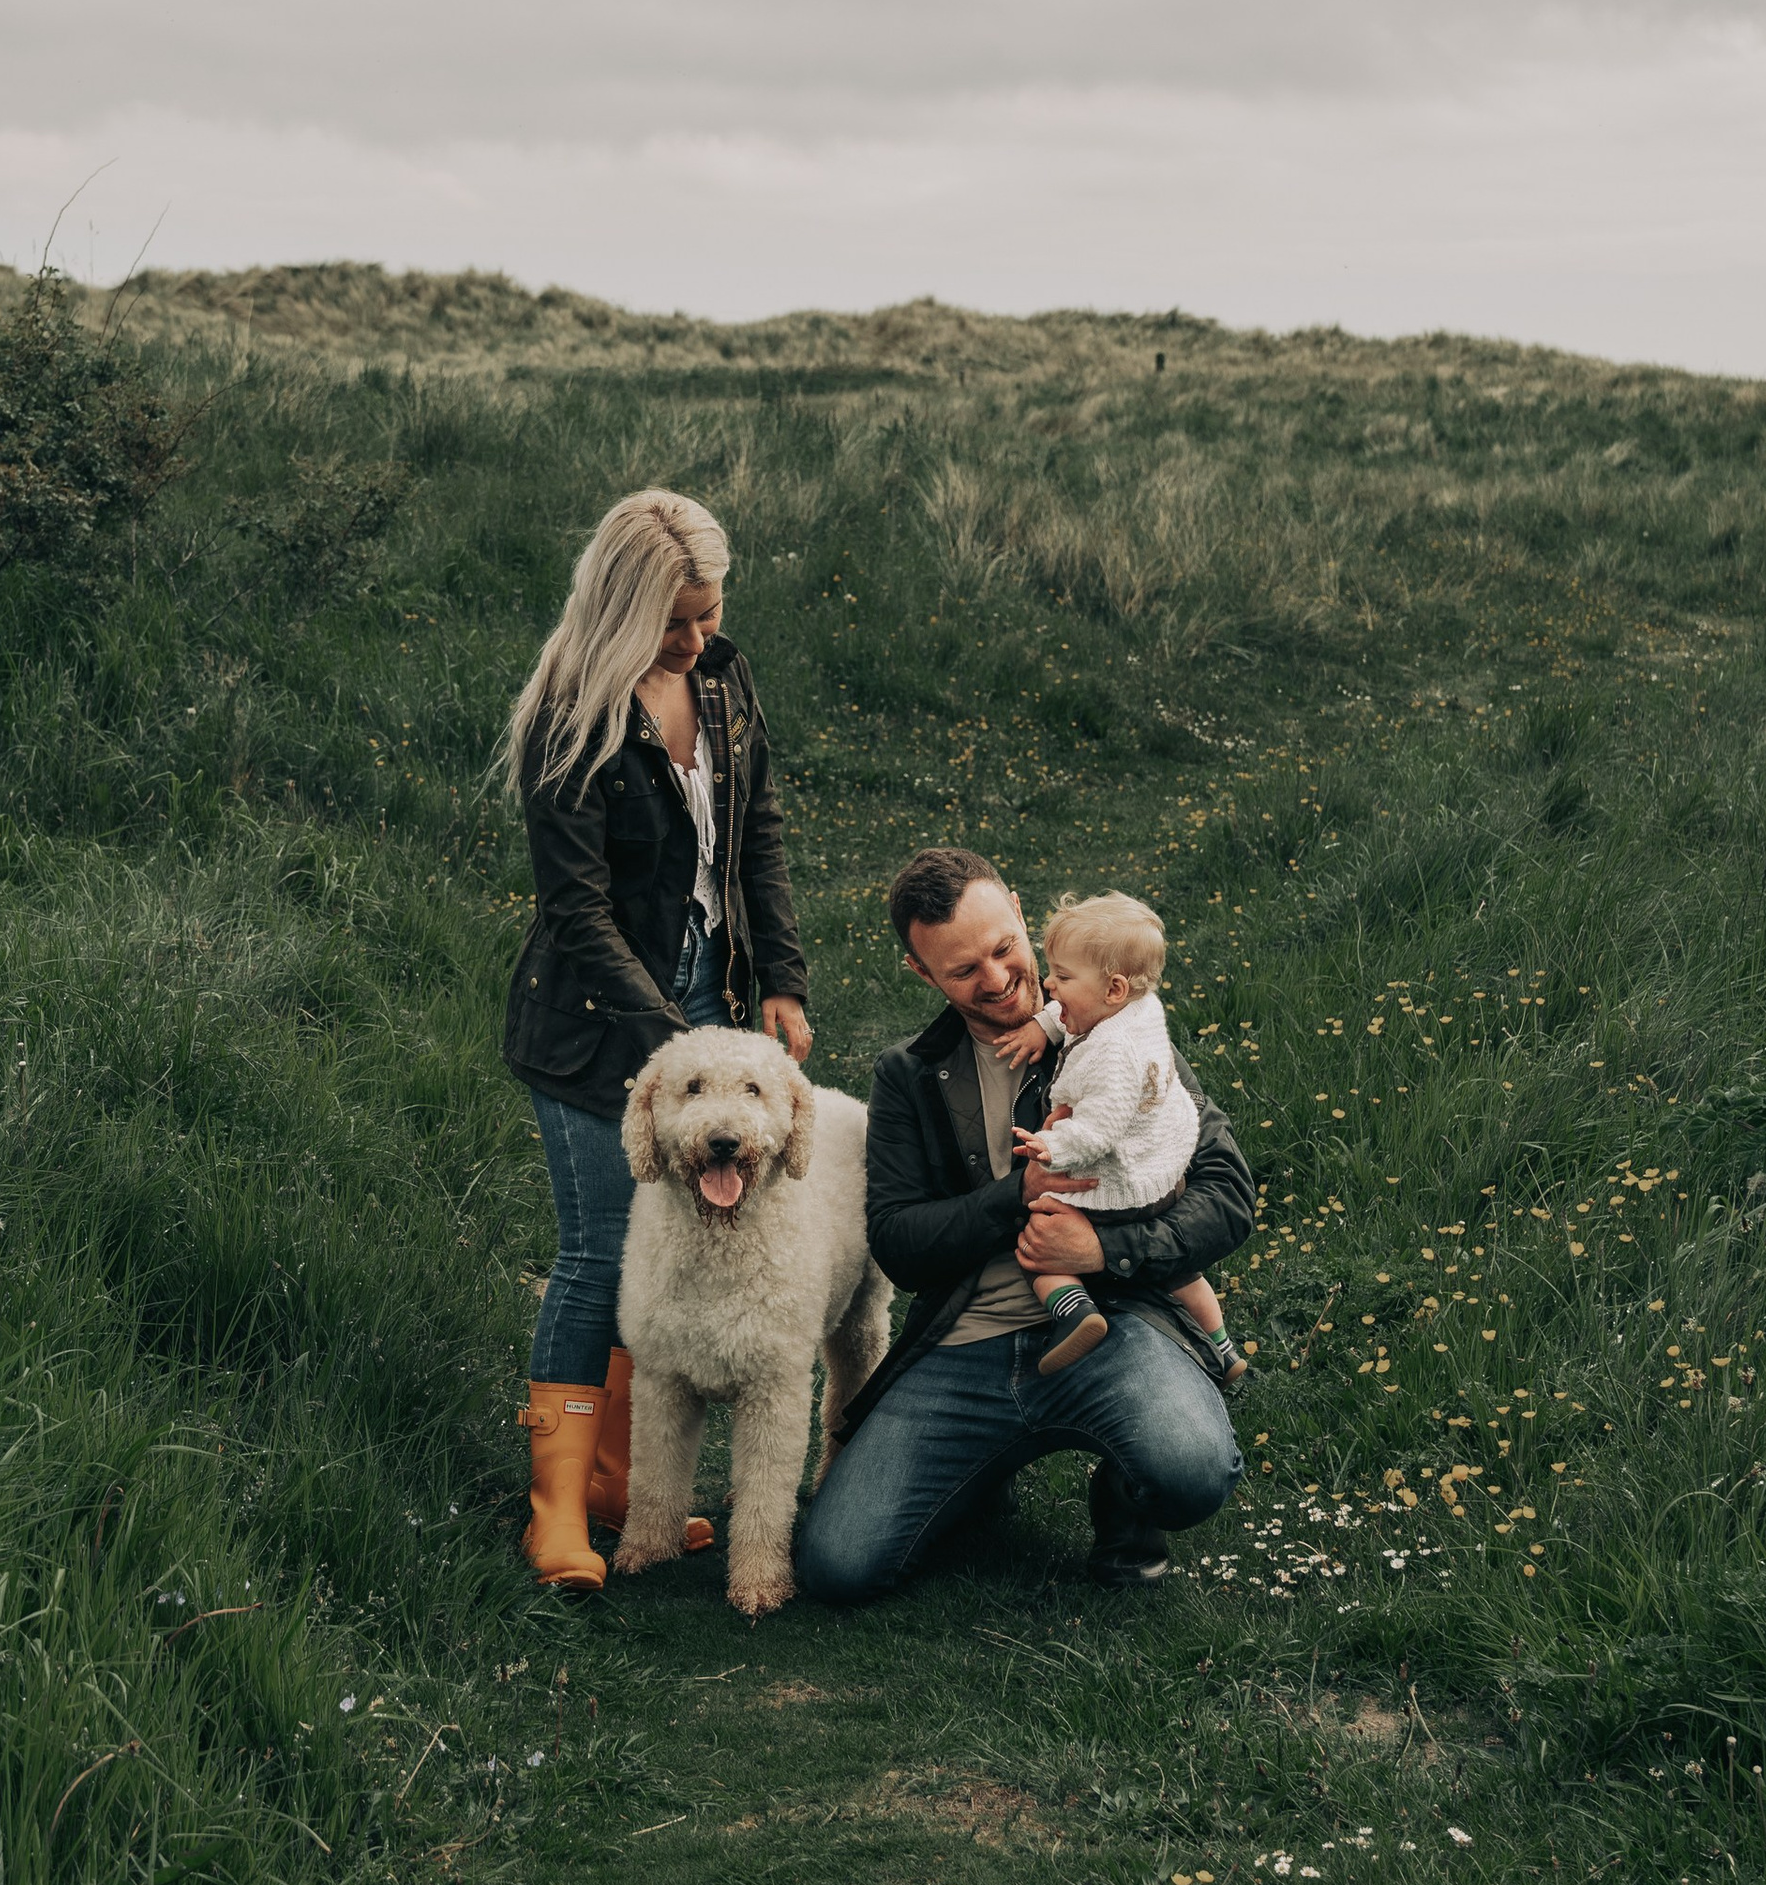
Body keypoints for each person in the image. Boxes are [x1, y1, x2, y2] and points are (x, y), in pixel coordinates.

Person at [792, 849, 1250, 1605]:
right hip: (964, 1343)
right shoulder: (907, 1072)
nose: (999, 979)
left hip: (1111, 1322)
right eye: (964, 970)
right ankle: (979, 1474)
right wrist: (1019, 1195)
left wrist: (1101, 1248)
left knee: (1192, 1469)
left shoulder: (1113, 1027)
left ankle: (1124, 1505)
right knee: (838, 1568)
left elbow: (1227, 1191)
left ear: (1015, 903)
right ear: (921, 974)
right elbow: (900, 1246)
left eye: (1005, 948)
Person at [500, 488, 814, 1589]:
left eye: (708, 616)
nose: (695, 641)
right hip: (594, 1019)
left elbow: (757, 832)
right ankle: (557, 1515)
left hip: (712, 993)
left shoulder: (720, 678)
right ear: (623, 610)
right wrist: (668, 1049)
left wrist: (779, 978)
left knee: (673, 1245)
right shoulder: (568, 712)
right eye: (673, 624)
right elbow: (577, 913)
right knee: (597, 1252)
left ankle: (618, 1492)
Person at [990, 891, 1246, 1386]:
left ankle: (1073, 1311)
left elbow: (1100, 1129)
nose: (1048, 984)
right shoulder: (1135, 1011)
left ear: (1113, 988)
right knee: (1183, 1274)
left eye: (1062, 977)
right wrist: (1046, 1026)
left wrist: (1053, 1146)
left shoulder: (1113, 1057)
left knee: (1039, 1237)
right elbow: (1069, 1017)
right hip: (1165, 1177)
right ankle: (1223, 1347)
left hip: (1125, 1182)